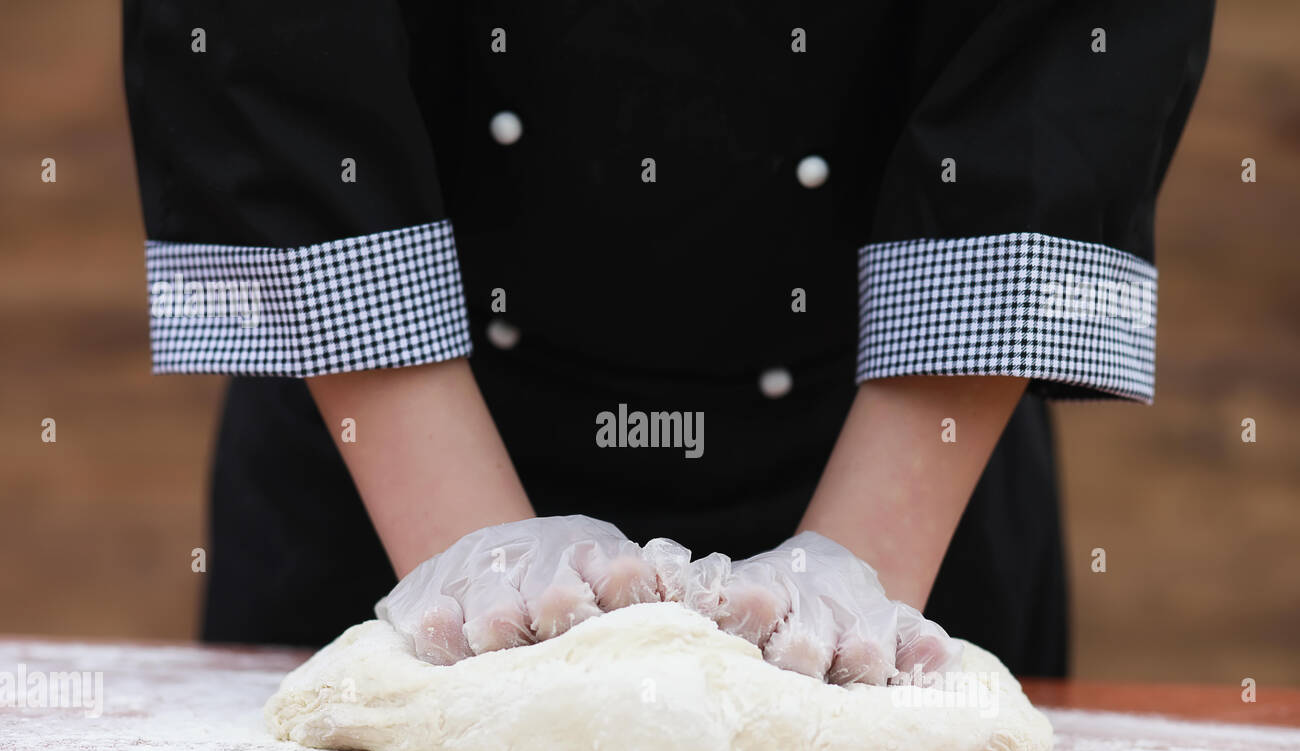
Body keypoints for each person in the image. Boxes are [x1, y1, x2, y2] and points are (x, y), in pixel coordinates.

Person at [123, 1, 1213, 678]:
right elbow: (262, 38)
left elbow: (1072, 57)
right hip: (385, 446)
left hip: (901, 455)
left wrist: (857, 581)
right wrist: (474, 572)